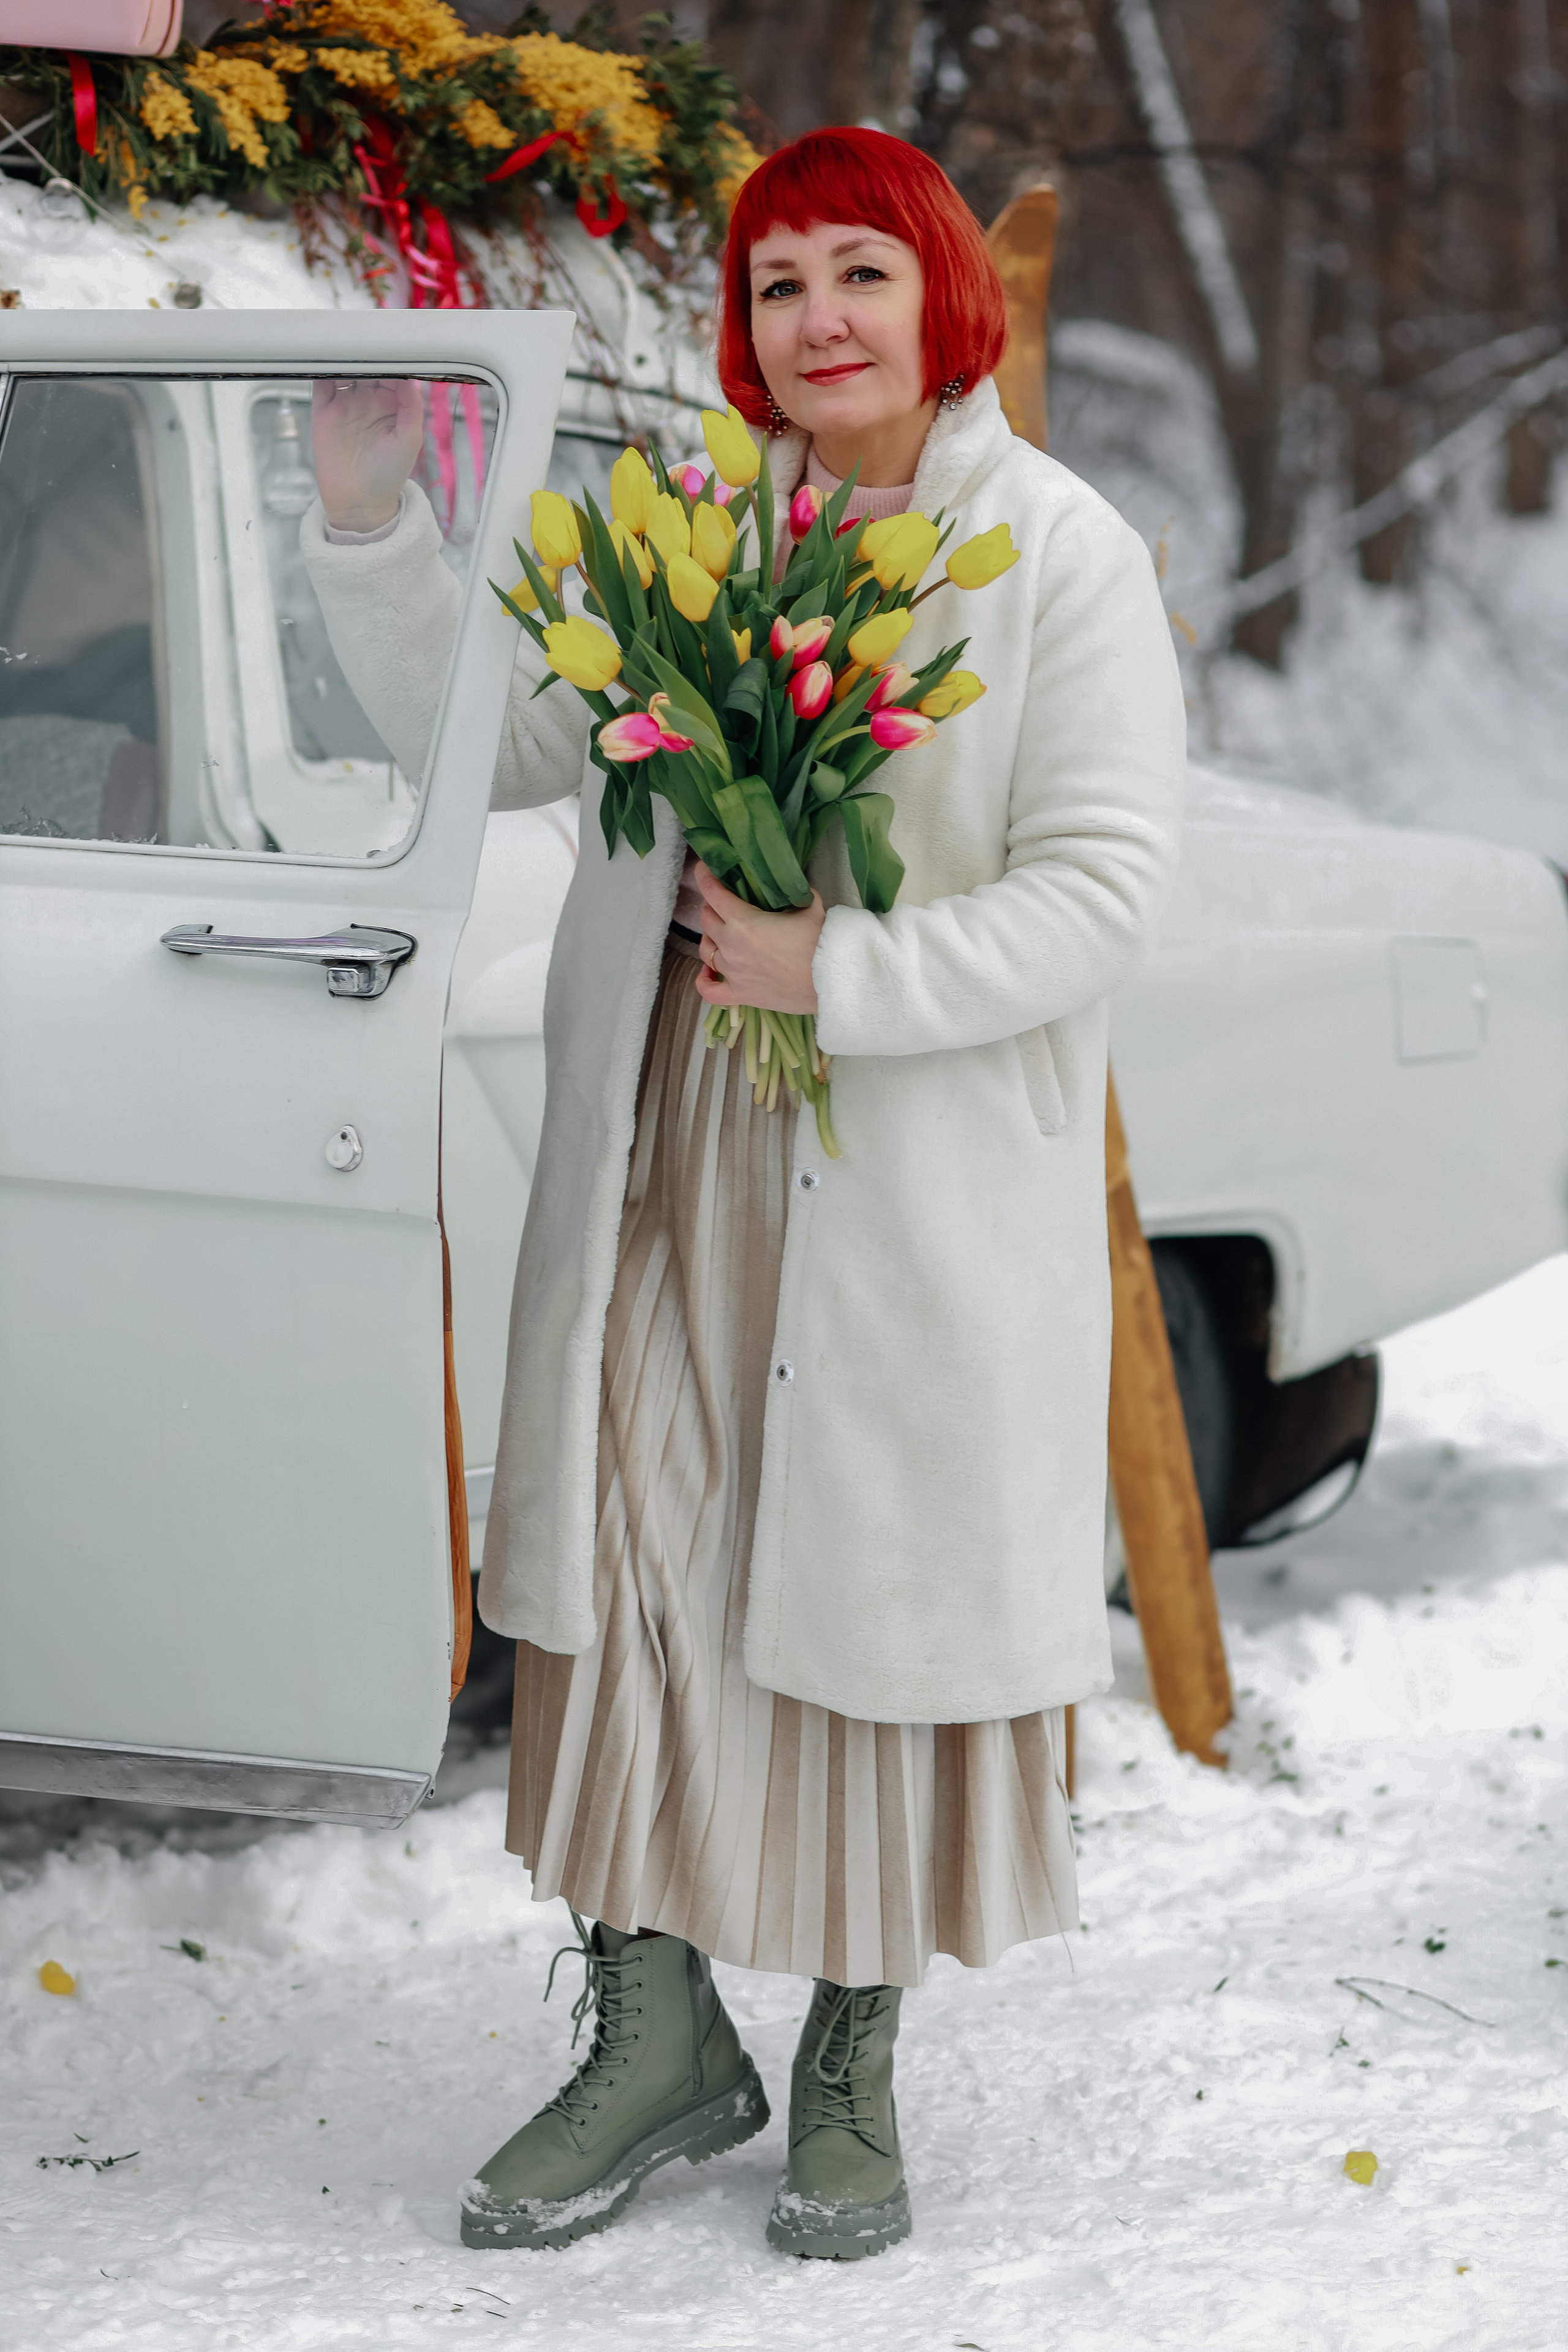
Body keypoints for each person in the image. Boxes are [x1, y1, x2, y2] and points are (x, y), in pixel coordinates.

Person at [304, 125, 1184, 2263]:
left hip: (900, 1173)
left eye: (859, 274)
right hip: (668, 1147)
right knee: (632, 1564)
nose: (819, 324)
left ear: (941, 296)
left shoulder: (1057, 553)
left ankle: (850, 2059)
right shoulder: (692, 523)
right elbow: (496, 730)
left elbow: (1105, 894)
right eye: (779, 285)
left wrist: (839, 972)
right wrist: (367, 524)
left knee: (857, 1607)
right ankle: (652, 2038)